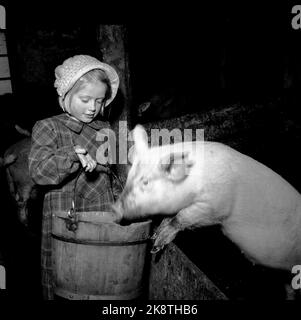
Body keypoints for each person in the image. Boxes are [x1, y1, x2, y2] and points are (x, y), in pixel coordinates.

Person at [28, 55, 121, 300]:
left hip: (102, 212)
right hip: (65, 217)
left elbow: (112, 174)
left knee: (100, 275)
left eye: (99, 101)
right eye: (85, 99)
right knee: (65, 277)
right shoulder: (48, 127)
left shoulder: (105, 130)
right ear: (65, 96)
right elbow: (39, 171)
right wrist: (71, 155)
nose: (92, 107)